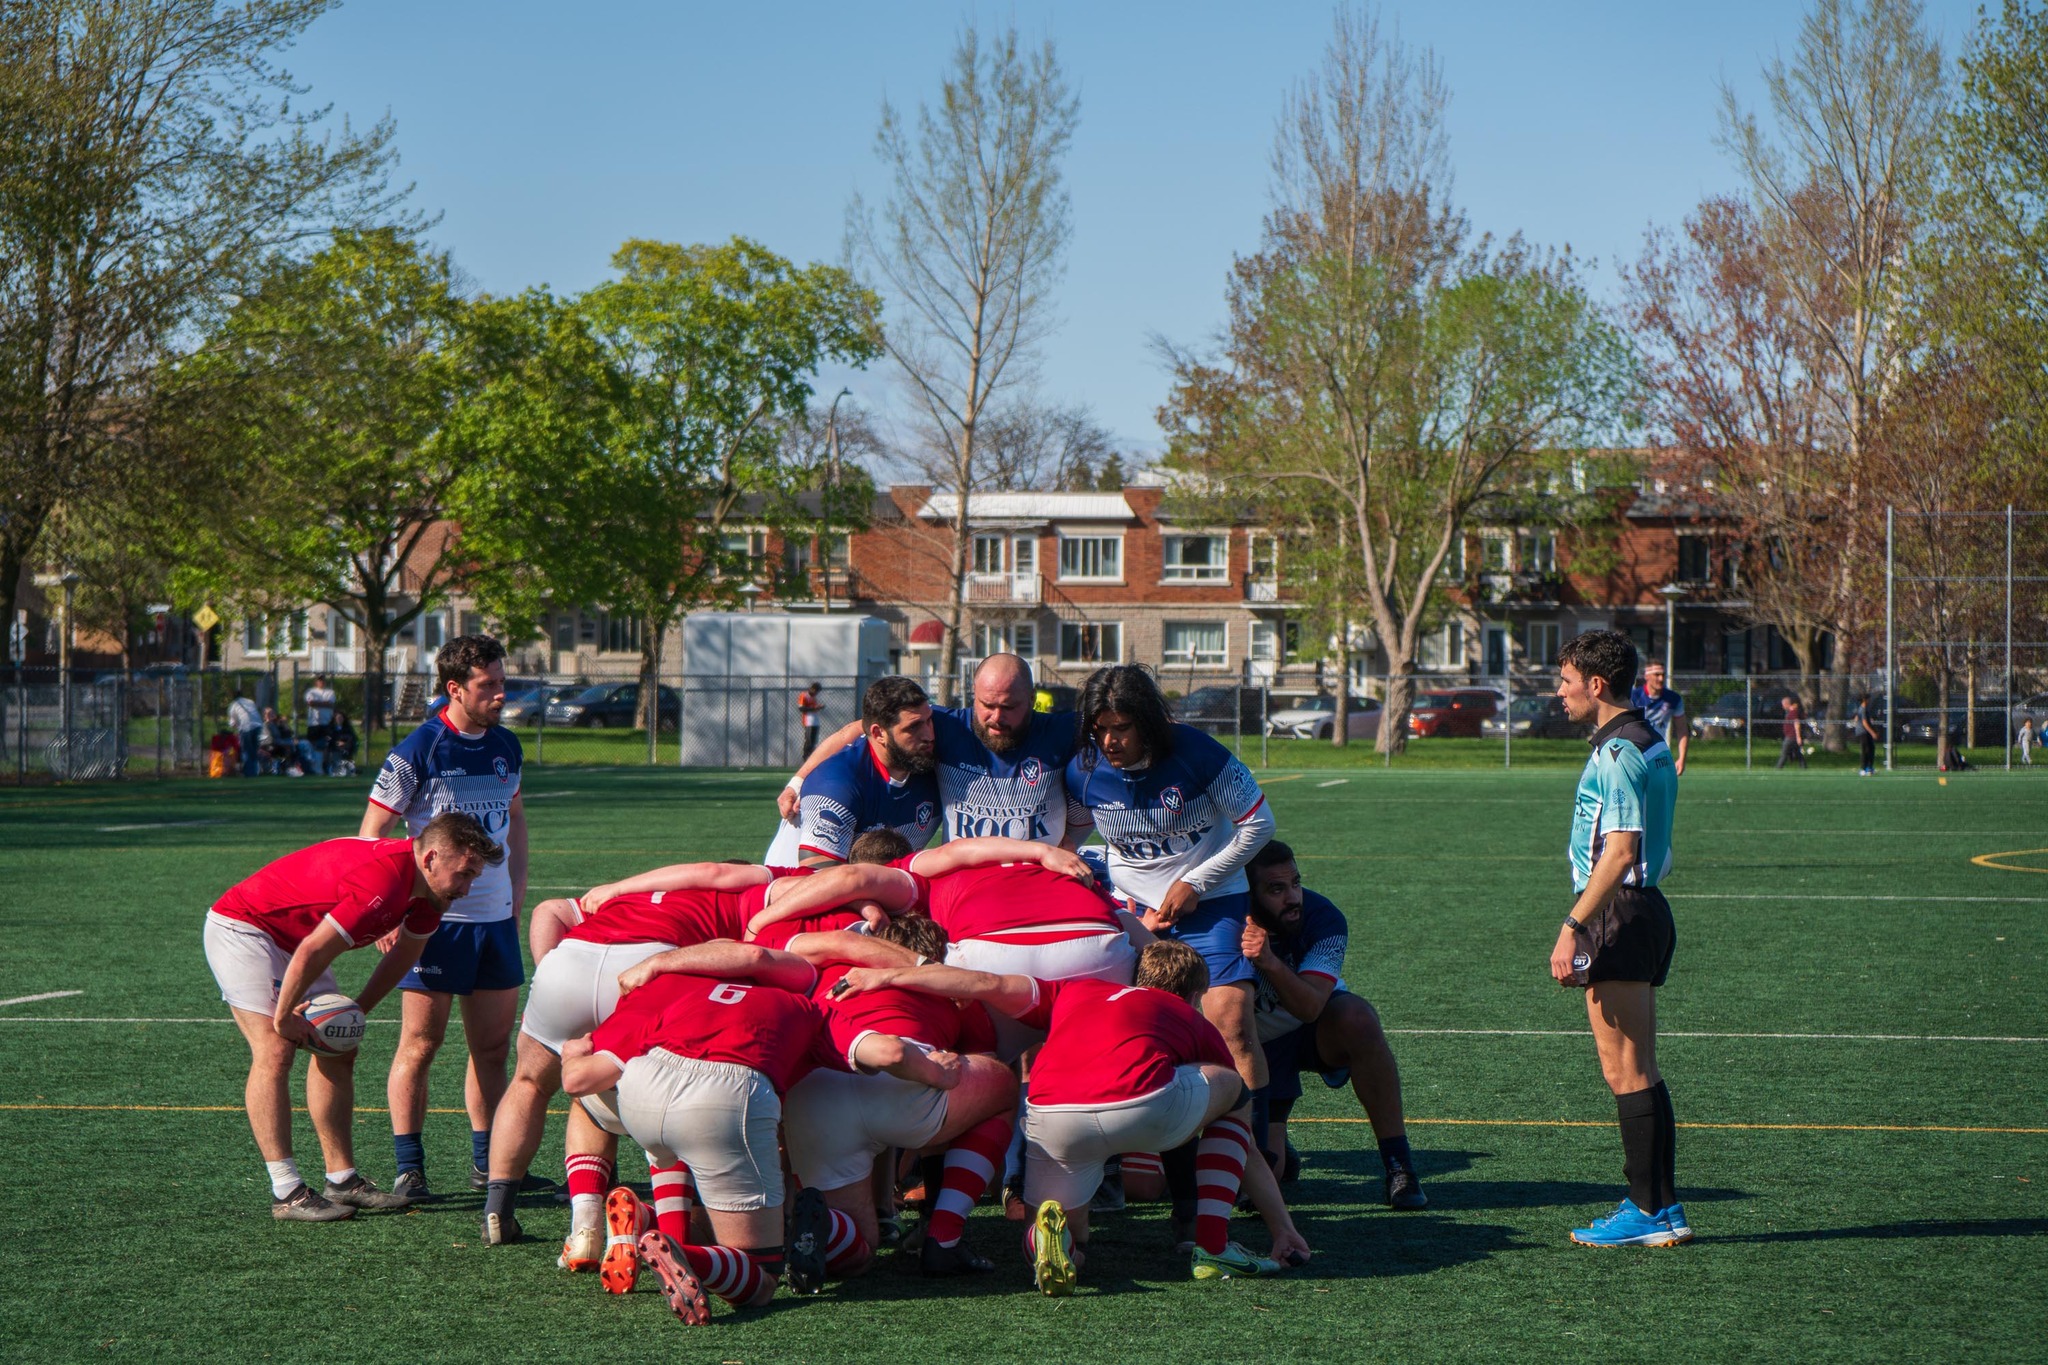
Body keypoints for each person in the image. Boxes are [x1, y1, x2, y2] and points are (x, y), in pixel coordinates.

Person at [833, 939, 1310, 1292]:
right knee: (1234, 1093)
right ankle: (1212, 1243)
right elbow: (1241, 1138)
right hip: (1138, 1104)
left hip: (1050, 1116)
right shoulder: (1183, 1013)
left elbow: (985, 983)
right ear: (1195, 992)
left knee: (1071, 1240)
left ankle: (1049, 1241)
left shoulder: (1076, 992)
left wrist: (887, 974)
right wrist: (1283, 1228)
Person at [558, 950, 901, 1325]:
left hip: (643, 1089)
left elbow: (579, 1080)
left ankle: (636, 1223)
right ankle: (692, 1255)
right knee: (764, 1272)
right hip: (727, 1099)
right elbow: (889, 1051)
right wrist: (943, 1075)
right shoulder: (807, 1006)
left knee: (664, 1144)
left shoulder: (673, 985)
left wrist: (571, 1056)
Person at [202, 812, 501, 1221]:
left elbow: (404, 956)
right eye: (463, 874)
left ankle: (341, 1179)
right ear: (430, 857)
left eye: (473, 878)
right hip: (247, 928)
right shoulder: (384, 883)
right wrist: (285, 1016)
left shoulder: (431, 895)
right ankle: (286, 1191)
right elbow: (312, 951)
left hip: (299, 940)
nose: (466, 888)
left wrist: (358, 1010)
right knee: (275, 1049)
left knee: (339, 1046)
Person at [359, 635, 531, 1203]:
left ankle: (491, 1165)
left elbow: (515, 819)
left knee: (492, 1049)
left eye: (501, 681)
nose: (500, 694)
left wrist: (517, 889)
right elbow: (372, 834)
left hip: (495, 922)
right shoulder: (420, 748)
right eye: (488, 685)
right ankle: (410, 1169)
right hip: (433, 922)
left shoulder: (507, 745)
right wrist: (385, 909)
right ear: (454, 689)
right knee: (420, 1043)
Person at [1064, 665, 1276, 1100]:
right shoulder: (1083, 769)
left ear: (1148, 722)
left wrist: (1196, 883)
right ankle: (1138, 1151)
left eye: (1121, 727)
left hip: (1212, 901)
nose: (1109, 741)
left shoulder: (1198, 752)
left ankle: (1254, 1149)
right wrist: (1116, 906)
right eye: (1100, 729)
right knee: (1124, 1025)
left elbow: (1259, 824)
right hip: (1131, 910)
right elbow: (1073, 833)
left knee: (1231, 1021)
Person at [1550, 629, 1689, 1247]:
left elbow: (1621, 850)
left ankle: (1648, 1212)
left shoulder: (1619, 752)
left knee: (1626, 1071)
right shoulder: (1647, 740)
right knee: (1640, 1070)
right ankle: (1662, 1208)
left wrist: (1573, 924)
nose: (1560, 692)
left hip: (1619, 914)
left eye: (1566, 681)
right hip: (1641, 910)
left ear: (1596, 685)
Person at [1241, 840, 1425, 1209]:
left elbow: (1310, 1006)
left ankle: (1399, 1165)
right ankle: (1276, 1146)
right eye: (1276, 889)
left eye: (1295, 883)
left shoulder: (1323, 916)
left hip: (1305, 1028)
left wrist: (1271, 962)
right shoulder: (1222, 922)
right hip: (1249, 1047)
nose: (1293, 897)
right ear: (1247, 892)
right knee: (1257, 1188)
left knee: (1358, 1019)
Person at [784, 654, 1078, 849]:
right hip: (964, 878)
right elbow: (857, 729)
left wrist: (1070, 844)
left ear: (1031, 698)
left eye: (1009, 707)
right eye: (987, 705)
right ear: (974, 695)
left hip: (1038, 874)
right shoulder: (947, 726)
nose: (996, 717)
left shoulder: (1060, 731)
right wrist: (797, 782)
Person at [781, 675, 941, 865]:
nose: (929, 735)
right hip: (798, 882)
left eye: (929, 721)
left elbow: (856, 727)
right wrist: (798, 782)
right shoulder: (837, 783)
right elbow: (816, 879)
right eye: (913, 727)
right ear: (878, 734)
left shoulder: (933, 738)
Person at [1629, 662, 1689, 777]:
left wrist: (1682, 758)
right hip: (1635, 754)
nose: (1661, 678)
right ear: (1647, 676)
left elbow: (1682, 730)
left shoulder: (1673, 699)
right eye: (1657, 674)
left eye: (1663, 674)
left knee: (1659, 793)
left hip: (1659, 753)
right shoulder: (1633, 697)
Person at [303, 675, 337, 775]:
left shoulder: (330, 692)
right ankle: (313, 766)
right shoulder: (311, 691)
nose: (321, 682)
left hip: (326, 722)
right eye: (319, 680)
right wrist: (323, 703)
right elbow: (311, 703)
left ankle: (323, 766)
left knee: (324, 745)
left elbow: (330, 704)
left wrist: (318, 703)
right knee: (313, 744)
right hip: (313, 723)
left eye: (322, 680)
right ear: (316, 682)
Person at [227, 688, 262, 777]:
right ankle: (254, 771)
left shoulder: (234, 705)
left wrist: (236, 727)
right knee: (253, 750)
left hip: (246, 727)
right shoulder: (249, 701)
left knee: (246, 750)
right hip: (258, 725)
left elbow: (232, 723)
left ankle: (248, 772)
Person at [260, 706, 303, 776]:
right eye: (269, 714)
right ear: (265, 716)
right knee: (290, 747)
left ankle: (289, 766)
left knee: (296, 746)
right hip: (270, 745)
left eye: (273, 713)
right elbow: (270, 739)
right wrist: (284, 743)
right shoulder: (266, 725)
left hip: (279, 743)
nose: (272, 715)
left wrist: (284, 725)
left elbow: (288, 734)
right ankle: (288, 767)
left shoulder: (275, 724)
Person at [1776, 694, 1808, 770]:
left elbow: (1797, 723)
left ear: (1787, 704)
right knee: (1798, 754)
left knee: (1784, 753)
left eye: (1783, 704)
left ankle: (1778, 768)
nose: (1783, 706)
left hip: (1791, 737)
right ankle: (1804, 767)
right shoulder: (1790, 712)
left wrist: (1798, 736)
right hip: (1791, 736)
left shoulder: (1794, 712)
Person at [1853, 692, 1881, 776]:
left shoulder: (1863, 708)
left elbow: (1857, 718)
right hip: (1863, 732)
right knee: (1865, 750)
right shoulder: (1863, 709)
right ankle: (1863, 769)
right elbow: (1864, 723)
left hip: (1865, 732)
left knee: (1871, 749)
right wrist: (1873, 733)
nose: (1869, 700)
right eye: (1868, 699)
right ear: (1864, 700)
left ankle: (1869, 768)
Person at [327, 709, 360, 777]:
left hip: (346, 748)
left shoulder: (348, 728)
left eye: (341, 718)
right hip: (335, 749)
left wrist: (345, 743)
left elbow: (352, 738)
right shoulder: (331, 728)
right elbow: (330, 739)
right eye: (338, 718)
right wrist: (336, 743)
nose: (339, 719)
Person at [797, 681, 825, 758]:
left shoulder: (814, 698)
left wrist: (819, 707)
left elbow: (814, 708)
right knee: (808, 740)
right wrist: (813, 708)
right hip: (808, 721)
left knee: (814, 741)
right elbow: (801, 708)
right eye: (816, 691)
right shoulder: (804, 695)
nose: (816, 693)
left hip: (815, 721)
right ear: (812, 689)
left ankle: (811, 757)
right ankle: (806, 757)